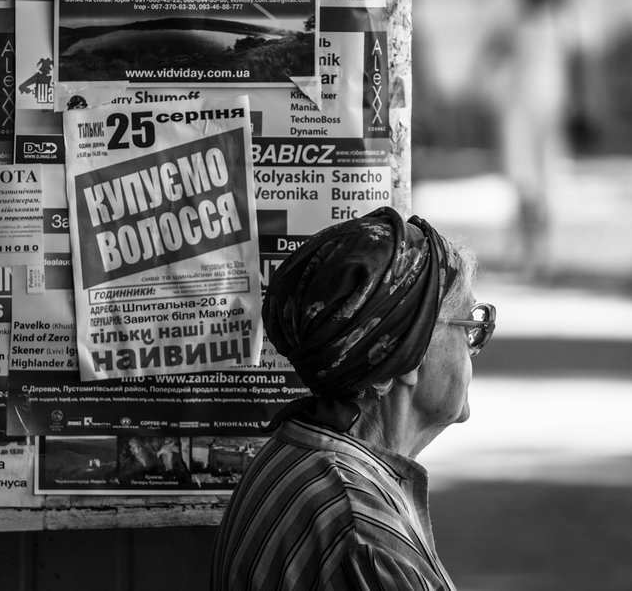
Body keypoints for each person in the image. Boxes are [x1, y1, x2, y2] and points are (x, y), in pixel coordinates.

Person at [211, 206, 495, 591]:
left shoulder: (299, 449)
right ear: (411, 356)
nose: (474, 348)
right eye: (470, 327)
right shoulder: (364, 531)